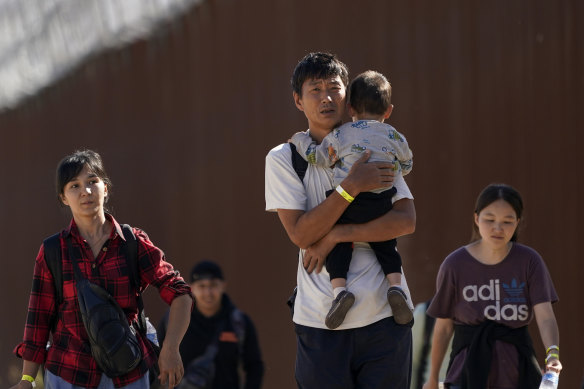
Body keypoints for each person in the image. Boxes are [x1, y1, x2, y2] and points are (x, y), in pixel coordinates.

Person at [265, 52, 416, 388]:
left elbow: (405, 221)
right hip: (321, 323)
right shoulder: (284, 157)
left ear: (348, 97)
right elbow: (302, 235)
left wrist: (336, 235)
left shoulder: (374, 145)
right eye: (315, 90)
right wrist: (351, 186)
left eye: (334, 87)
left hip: (385, 320)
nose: (326, 97)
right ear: (298, 101)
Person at [10, 149, 193, 389]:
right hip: (69, 374)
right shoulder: (53, 251)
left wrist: (170, 349)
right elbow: (38, 319)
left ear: (105, 188)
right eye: (74, 186)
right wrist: (27, 380)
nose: (85, 191)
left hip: (128, 372)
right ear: (63, 197)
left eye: (92, 182)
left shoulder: (132, 242)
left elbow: (180, 292)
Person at [290, 70, 414, 328]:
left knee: (338, 244)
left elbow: (318, 157)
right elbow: (408, 162)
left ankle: (339, 291)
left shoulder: (342, 134)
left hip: (351, 205)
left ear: (350, 107)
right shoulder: (394, 136)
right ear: (388, 110)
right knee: (386, 244)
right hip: (381, 204)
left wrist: (300, 141)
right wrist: (395, 167)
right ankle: (396, 288)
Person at [423, 184, 562, 389]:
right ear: (476, 218)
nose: (498, 228)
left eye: (507, 221)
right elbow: (443, 328)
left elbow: (546, 316)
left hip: (517, 368)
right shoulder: (455, 264)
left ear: (518, 223)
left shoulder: (530, 261)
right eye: (490, 219)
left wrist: (553, 354)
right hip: (466, 371)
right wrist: (433, 379)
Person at [159, 260, 264, 389]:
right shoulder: (175, 320)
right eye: (202, 286)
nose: (208, 292)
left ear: (223, 286)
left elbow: (254, 366)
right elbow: (156, 361)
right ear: (191, 288)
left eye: (213, 285)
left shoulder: (239, 322)